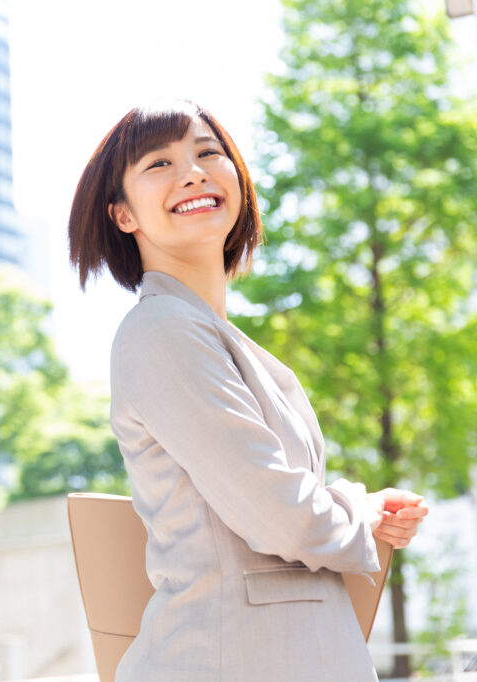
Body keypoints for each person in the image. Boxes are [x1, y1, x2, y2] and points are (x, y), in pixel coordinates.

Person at [67, 100, 428, 682]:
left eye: (209, 152)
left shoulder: (208, 335)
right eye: (159, 164)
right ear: (123, 215)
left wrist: (357, 510)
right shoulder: (160, 330)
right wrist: (357, 513)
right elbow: (277, 514)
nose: (193, 171)